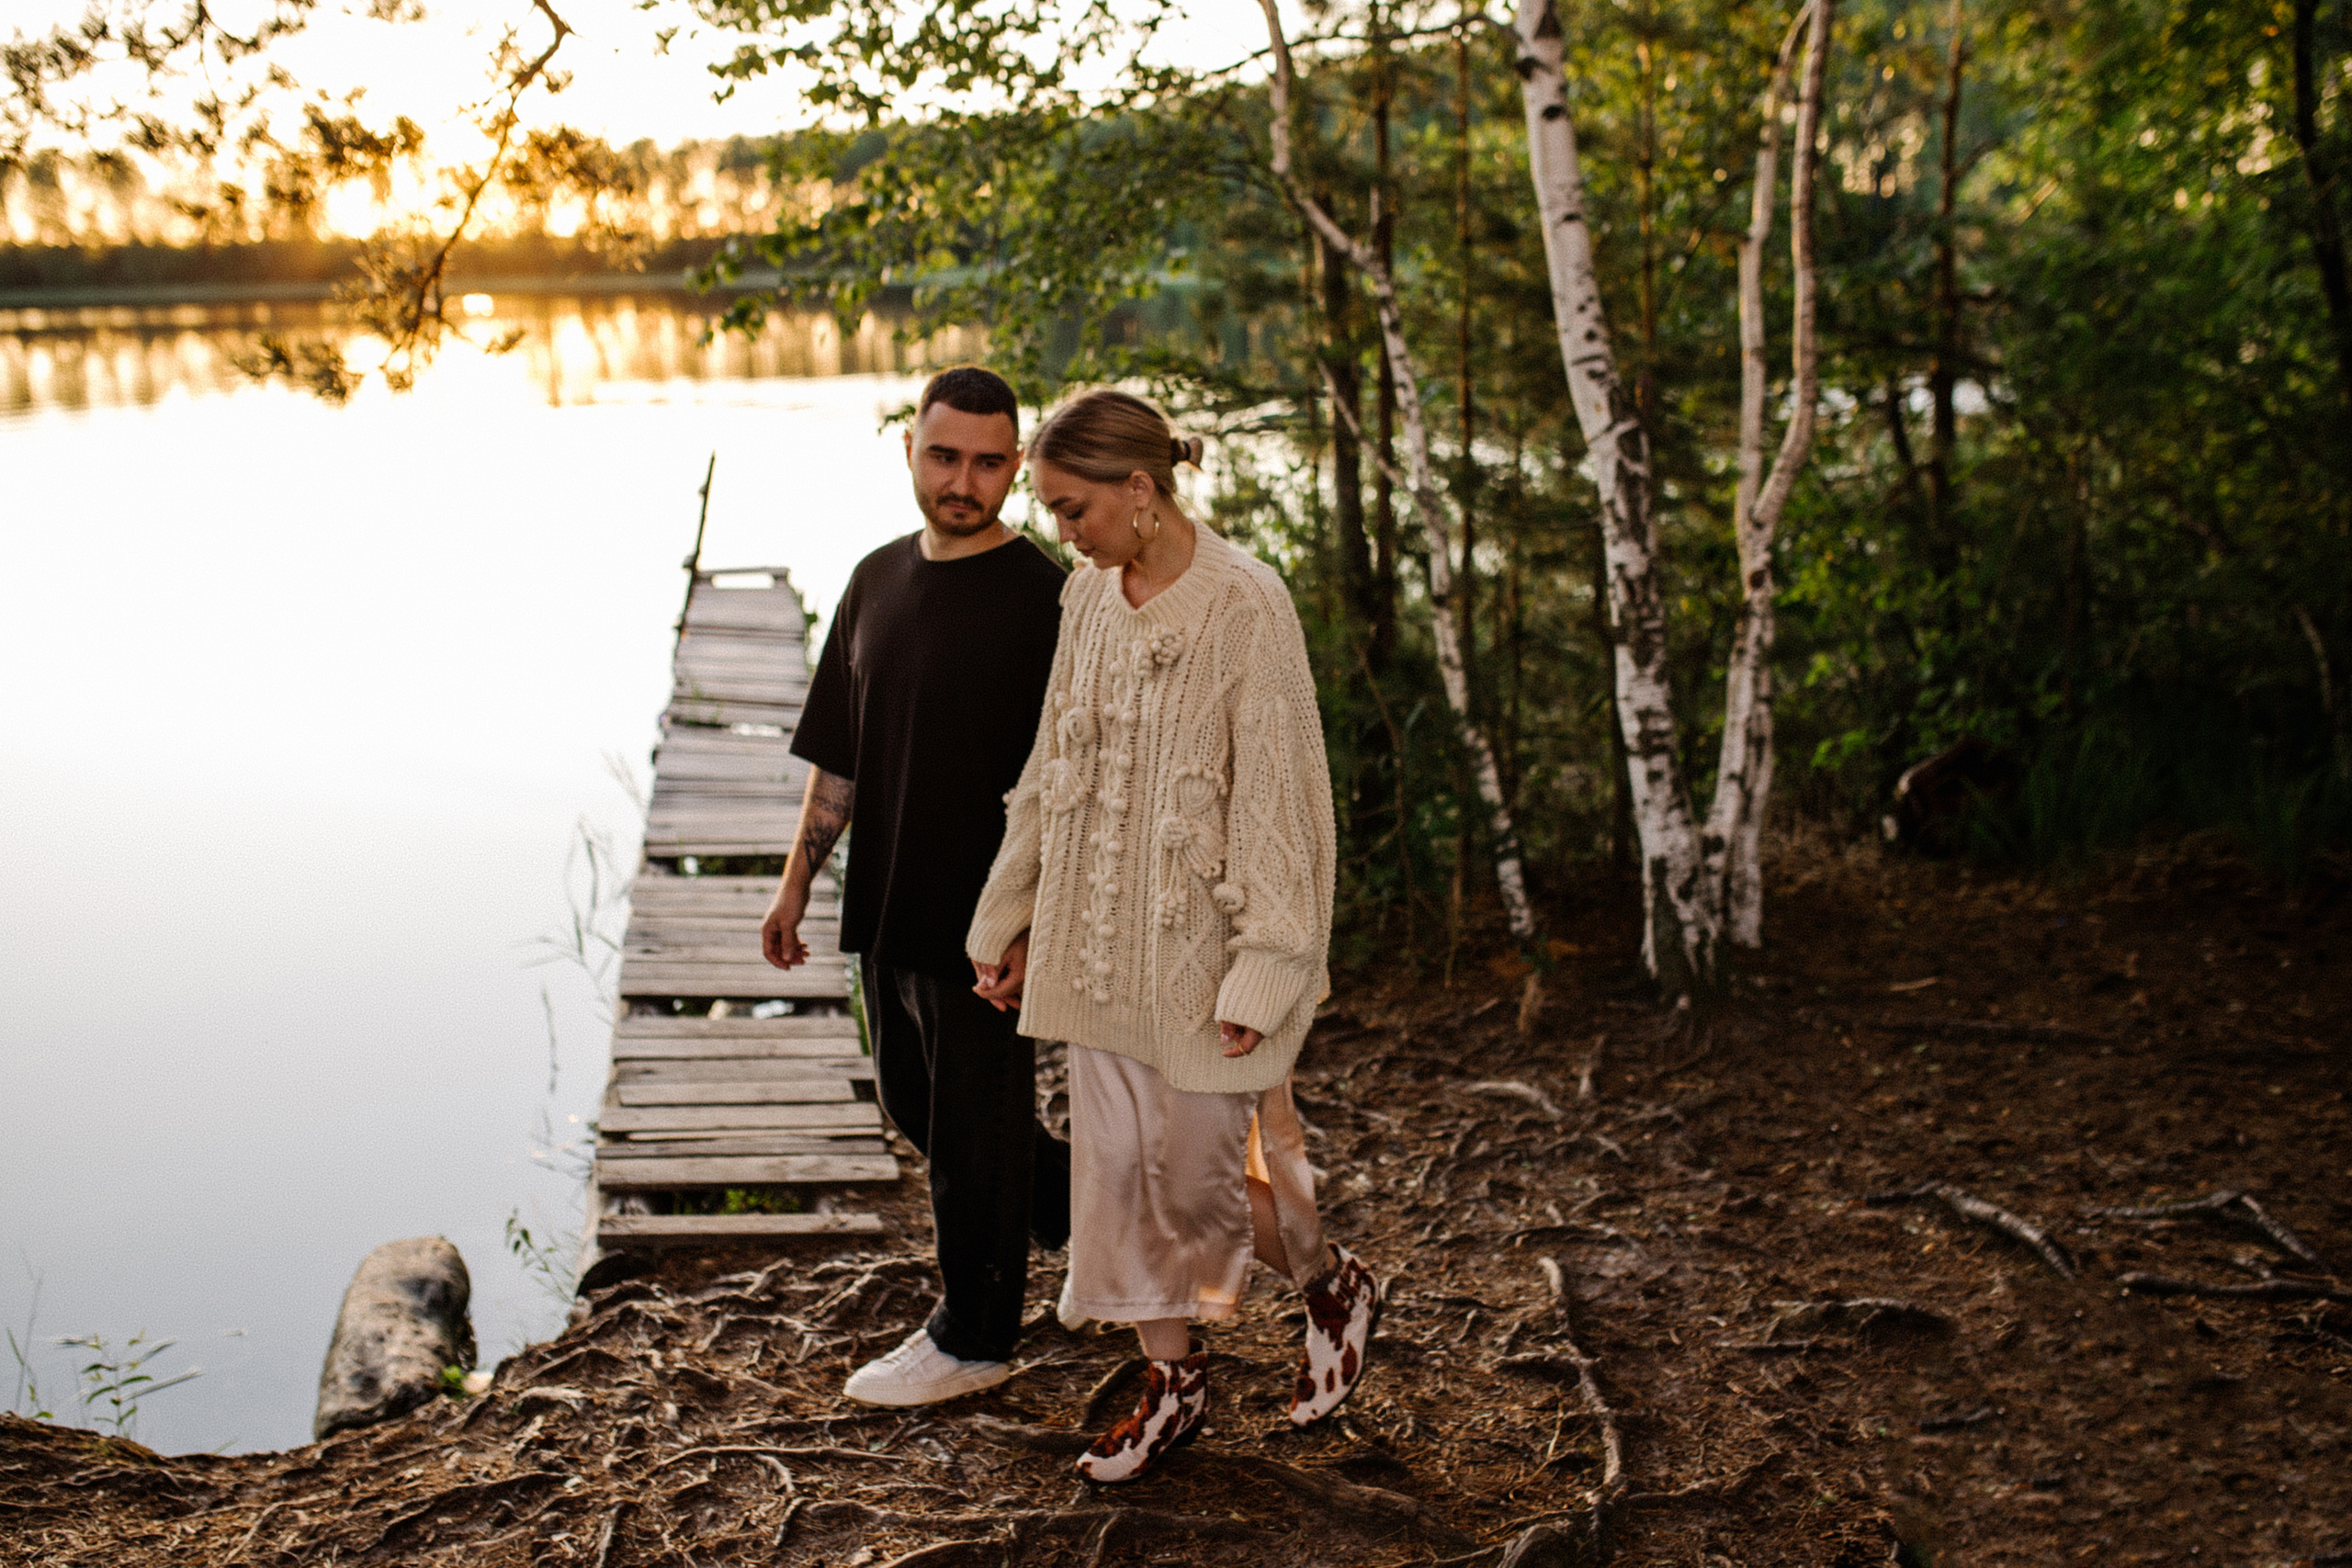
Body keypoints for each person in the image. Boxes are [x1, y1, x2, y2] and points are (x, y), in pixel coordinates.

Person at [965, 389, 1379, 1483]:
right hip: (1095, 947)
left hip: (1205, 961)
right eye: (1052, 509)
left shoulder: (1247, 603)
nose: (1062, 530)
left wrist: (1268, 967)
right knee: (1115, 1176)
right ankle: (1174, 1383)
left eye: (1073, 507)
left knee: (1197, 1186)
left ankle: (1331, 1284)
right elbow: (1055, 763)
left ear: (1140, 489)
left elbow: (1283, 800)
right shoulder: (1086, 597)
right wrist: (1009, 914)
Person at [761, 365, 1072, 1407]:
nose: (962, 482)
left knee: (974, 1133)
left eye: (987, 463)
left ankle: (975, 1337)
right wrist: (794, 886)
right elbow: (840, 757)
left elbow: (1074, 785)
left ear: (1015, 467)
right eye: (944, 456)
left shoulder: (1044, 600)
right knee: (914, 1102)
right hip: (887, 906)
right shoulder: (874, 581)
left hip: (986, 923)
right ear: (910, 450)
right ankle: (1094, 1222)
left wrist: (1031, 925)